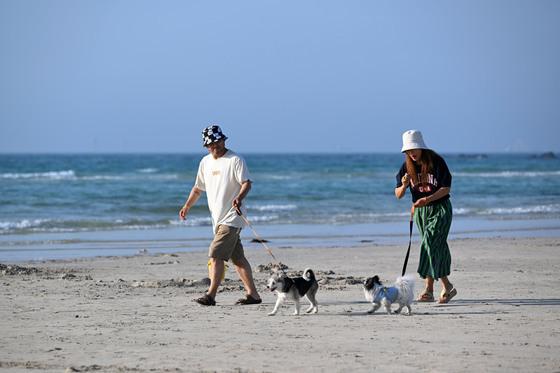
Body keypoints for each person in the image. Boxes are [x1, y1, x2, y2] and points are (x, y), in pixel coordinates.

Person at [179, 125, 262, 306]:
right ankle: (254, 295)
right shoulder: (205, 162)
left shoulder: (235, 160)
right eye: (211, 144)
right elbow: (197, 188)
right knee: (238, 258)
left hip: (233, 217)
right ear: (206, 146)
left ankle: (211, 295)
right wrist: (187, 206)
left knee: (215, 254)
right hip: (217, 219)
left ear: (224, 140)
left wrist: (239, 198)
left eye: (218, 142)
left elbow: (246, 183)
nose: (215, 146)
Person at [394, 130, 457, 304]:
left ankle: (445, 286)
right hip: (421, 212)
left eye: (414, 149)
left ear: (421, 147)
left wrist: (427, 199)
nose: (411, 153)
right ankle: (431, 290)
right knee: (437, 247)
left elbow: (446, 188)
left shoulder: (437, 162)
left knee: (429, 242)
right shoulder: (406, 167)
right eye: (408, 151)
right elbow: (398, 194)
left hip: (440, 208)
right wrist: (405, 185)